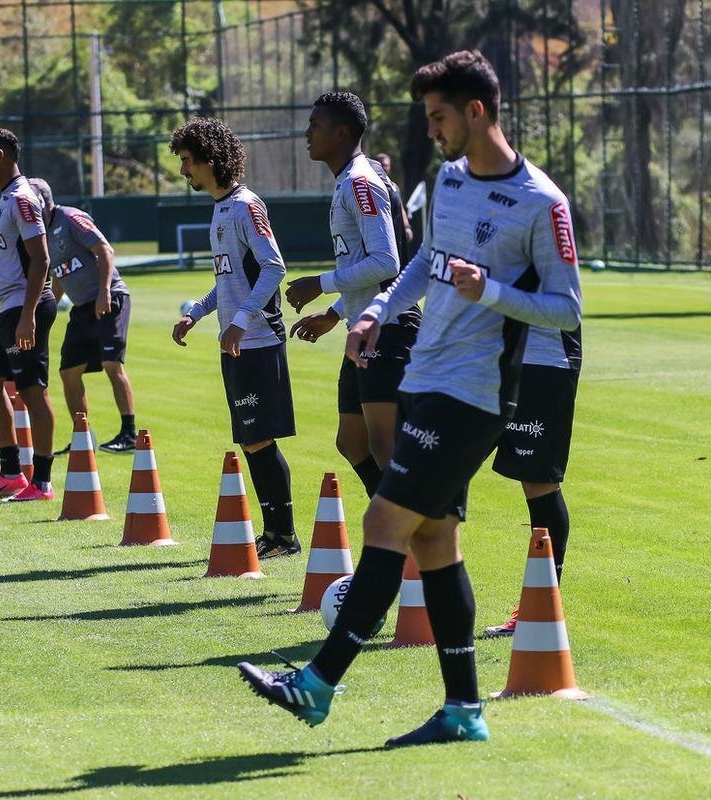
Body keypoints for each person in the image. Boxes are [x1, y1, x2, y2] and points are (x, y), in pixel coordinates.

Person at [237, 50, 582, 747]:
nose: (431, 131)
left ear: (476, 111)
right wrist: (372, 313)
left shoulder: (543, 203)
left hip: (479, 389)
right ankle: (462, 711)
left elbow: (564, 309)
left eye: (439, 117)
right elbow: (423, 261)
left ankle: (316, 685)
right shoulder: (449, 181)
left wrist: (487, 291)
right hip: (426, 373)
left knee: (383, 526)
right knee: (433, 540)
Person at [170, 117, 299, 559]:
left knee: (258, 437)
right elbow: (228, 279)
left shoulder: (247, 205)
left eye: (188, 161)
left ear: (209, 159)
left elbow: (274, 267)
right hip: (237, 340)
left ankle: (283, 536)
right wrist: (197, 314)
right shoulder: (221, 207)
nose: (184, 171)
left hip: (258, 339)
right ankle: (275, 534)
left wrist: (243, 318)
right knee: (251, 438)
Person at [286, 92, 420, 500]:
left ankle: (409, 543)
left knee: (384, 445)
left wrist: (320, 283)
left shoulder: (361, 181)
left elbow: (386, 262)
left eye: (316, 125)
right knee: (352, 442)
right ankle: (399, 535)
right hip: (363, 328)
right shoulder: (349, 178)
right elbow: (365, 264)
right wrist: (335, 312)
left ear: (341, 132)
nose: (307, 133)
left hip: (389, 329)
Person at [483, 291, 582, 635]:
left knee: (538, 481)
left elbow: (568, 306)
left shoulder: (550, 235)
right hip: (486, 356)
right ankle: (427, 596)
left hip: (543, 359)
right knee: (447, 468)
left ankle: (540, 608)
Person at [0, 128, 57, 502]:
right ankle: (10, 473)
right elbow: (18, 260)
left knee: (32, 392)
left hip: (28, 308)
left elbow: (41, 259)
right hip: (10, 305)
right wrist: (0, 297)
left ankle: (41, 482)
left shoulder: (22, 198)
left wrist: (27, 314)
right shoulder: (7, 197)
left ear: (2, 155)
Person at [27, 178, 138, 455]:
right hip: (82, 309)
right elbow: (59, 275)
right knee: (68, 372)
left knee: (112, 363)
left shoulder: (71, 218)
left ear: (41, 201)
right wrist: (47, 307)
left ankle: (129, 433)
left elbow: (104, 250)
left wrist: (104, 291)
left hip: (110, 297)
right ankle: (83, 435)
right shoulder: (40, 235)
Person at [373, 152, 415, 262]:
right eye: (381, 165)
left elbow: (400, 208)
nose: (384, 168)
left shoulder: (394, 186)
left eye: (386, 165)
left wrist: (407, 227)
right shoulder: (370, 186)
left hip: (395, 232)